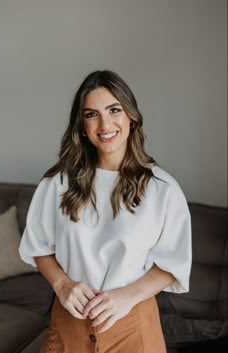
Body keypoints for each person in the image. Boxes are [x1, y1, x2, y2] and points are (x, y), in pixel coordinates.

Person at [19, 70, 192, 353]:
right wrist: (61, 284)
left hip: (133, 326)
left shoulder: (163, 189)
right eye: (91, 114)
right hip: (68, 326)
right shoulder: (57, 183)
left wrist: (126, 297)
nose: (104, 124)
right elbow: (38, 246)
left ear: (131, 117)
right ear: (82, 125)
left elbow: (172, 265)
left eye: (114, 110)